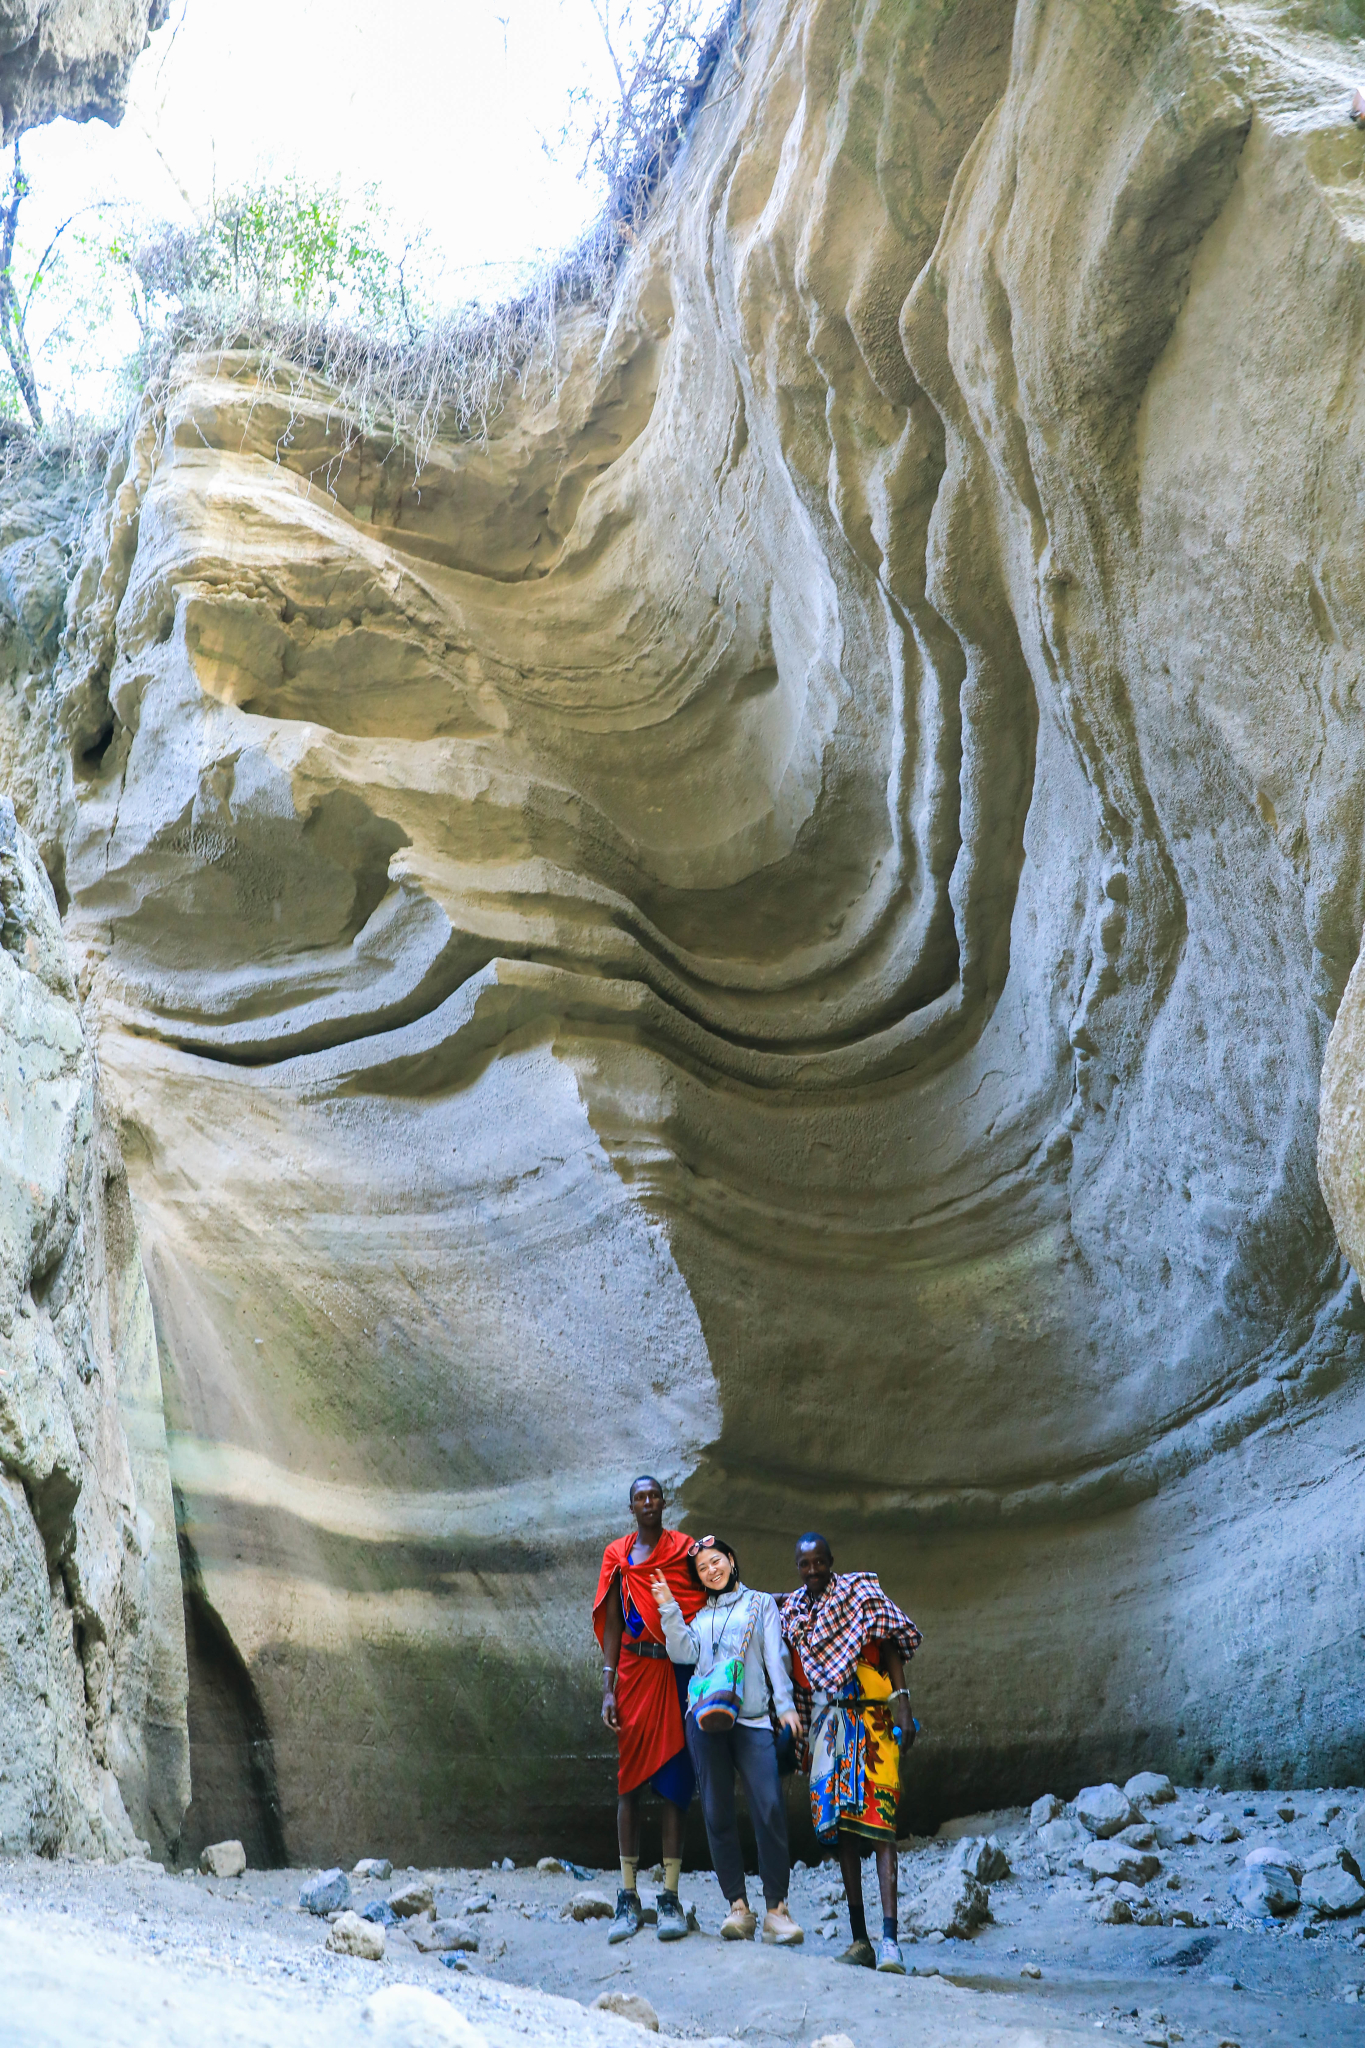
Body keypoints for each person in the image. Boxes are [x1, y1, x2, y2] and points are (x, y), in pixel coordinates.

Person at [652, 1535, 805, 1946]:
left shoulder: (759, 1604)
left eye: (716, 1561)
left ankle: (777, 1909)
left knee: (769, 1806)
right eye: (702, 1568)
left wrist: (786, 1707)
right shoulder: (700, 1617)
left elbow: (775, 1657)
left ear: (732, 1561)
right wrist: (669, 1607)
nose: (711, 1571)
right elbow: (682, 1653)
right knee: (717, 1811)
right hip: (704, 1721)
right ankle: (738, 1907)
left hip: (753, 1719)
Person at [779, 1532, 922, 1973]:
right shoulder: (794, 1614)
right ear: (798, 1568)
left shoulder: (859, 1595)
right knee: (842, 1832)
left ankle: (891, 1941)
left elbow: (893, 1642)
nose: (813, 1570)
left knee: (881, 1827)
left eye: (819, 1562)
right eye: (805, 1564)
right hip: (828, 1727)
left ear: (831, 1561)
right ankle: (860, 1940)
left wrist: (903, 1701)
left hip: (874, 1722)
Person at [593, 1475, 705, 1944]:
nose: (649, 1503)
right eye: (641, 1497)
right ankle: (627, 1895)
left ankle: (671, 1897)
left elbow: (711, 1594)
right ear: (631, 1507)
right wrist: (608, 1684)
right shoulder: (618, 1557)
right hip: (636, 1674)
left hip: (674, 1674)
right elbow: (615, 1620)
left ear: (665, 1502)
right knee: (630, 1784)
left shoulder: (684, 1551)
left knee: (675, 1785)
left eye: (655, 1496)